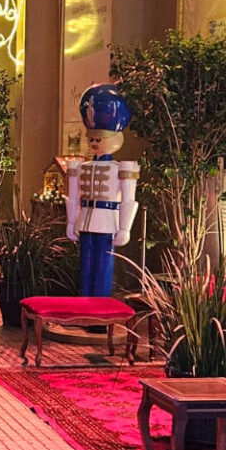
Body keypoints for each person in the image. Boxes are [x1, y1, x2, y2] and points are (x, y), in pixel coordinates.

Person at [64, 84, 140, 298]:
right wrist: (71, 222)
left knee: (103, 266)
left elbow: (128, 198)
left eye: (99, 139)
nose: (94, 143)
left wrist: (125, 228)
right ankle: (83, 307)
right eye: (91, 139)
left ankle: (99, 312)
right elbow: (74, 196)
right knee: (86, 265)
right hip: (85, 219)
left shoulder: (121, 168)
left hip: (107, 220)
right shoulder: (82, 167)